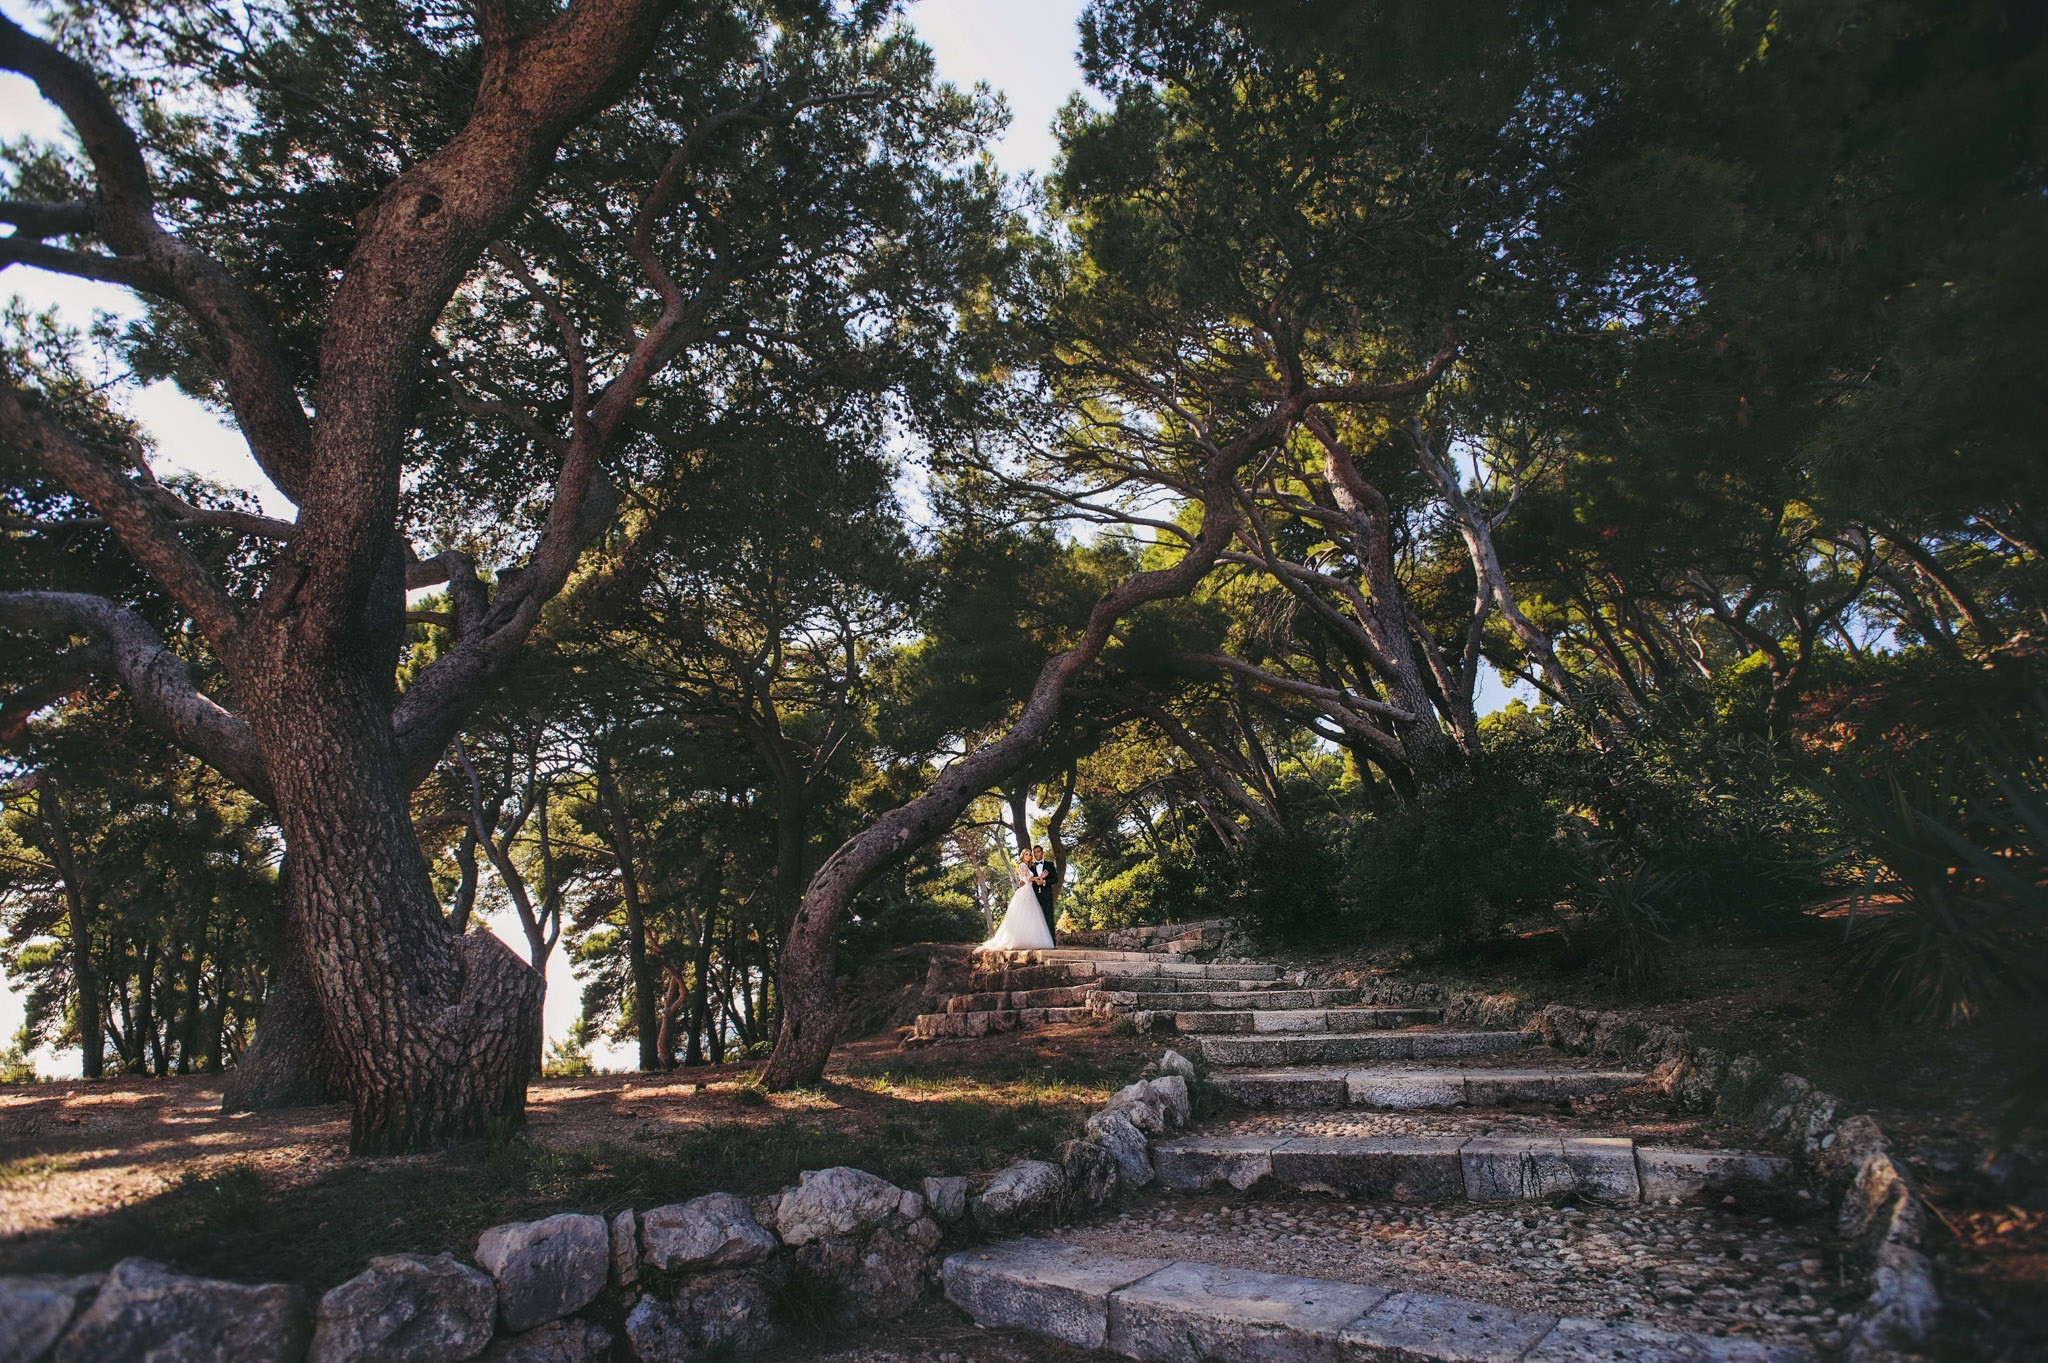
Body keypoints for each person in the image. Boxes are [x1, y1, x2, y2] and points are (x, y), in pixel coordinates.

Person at [979, 845, 1055, 951]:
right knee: (1022, 916)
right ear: (1022, 856)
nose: (1029, 856)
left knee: (1031, 917)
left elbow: (1025, 880)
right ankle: (1017, 940)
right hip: (1025, 892)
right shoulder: (1022, 865)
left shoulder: (1030, 866)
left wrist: (1037, 880)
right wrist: (1040, 877)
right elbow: (1028, 878)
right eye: (1027, 854)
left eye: (1030, 854)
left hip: (1031, 891)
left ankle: (1030, 940)